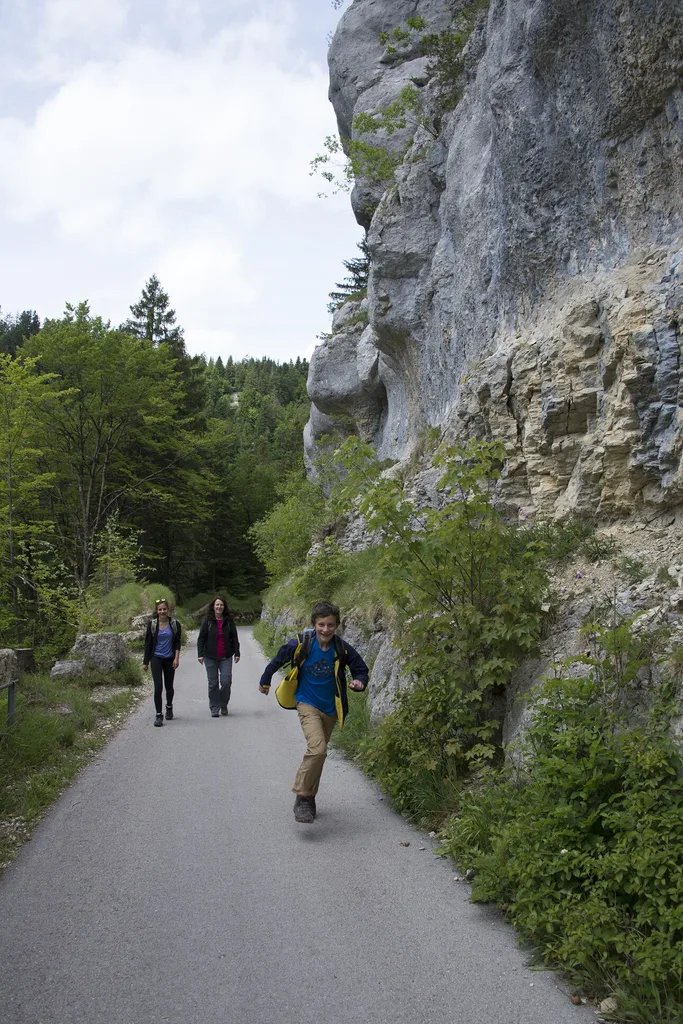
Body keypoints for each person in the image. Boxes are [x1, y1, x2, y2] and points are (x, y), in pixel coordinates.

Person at [259, 600, 369, 824]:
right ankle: (302, 796)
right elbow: (278, 658)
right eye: (321, 625)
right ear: (313, 624)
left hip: (331, 709)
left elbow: (361, 669)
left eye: (330, 625)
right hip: (306, 702)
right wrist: (265, 679)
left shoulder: (342, 648)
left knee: (318, 755)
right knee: (318, 750)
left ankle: (309, 800)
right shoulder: (303, 643)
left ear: (336, 626)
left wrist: (359, 682)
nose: (325, 630)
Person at [197, 595, 241, 718]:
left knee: (226, 681)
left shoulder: (228, 620)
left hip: (226, 656)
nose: (219, 607)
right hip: (210, 656)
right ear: (213, 606)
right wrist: (200, 654)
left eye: (221, 604)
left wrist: (237, 653)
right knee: (213, 683)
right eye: (217, 604)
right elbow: (201, 638)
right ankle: (214, 707)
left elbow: (234, 637)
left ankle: (223, 704)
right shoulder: (208, 620)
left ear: (224, 607)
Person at [143, 598, 182, 727]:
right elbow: (148, 644)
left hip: (170, 658)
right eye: (160, 609)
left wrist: (176, 658)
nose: (162, 611)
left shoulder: (175, 624)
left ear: (168, 610)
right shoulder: (152, 625)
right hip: (156, 658)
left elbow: (177, 642)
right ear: (156, 611)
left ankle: (169, 707)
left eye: (164, 609)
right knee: (158, 687)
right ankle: (159, 715)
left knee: (169, 687)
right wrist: (146, 662)